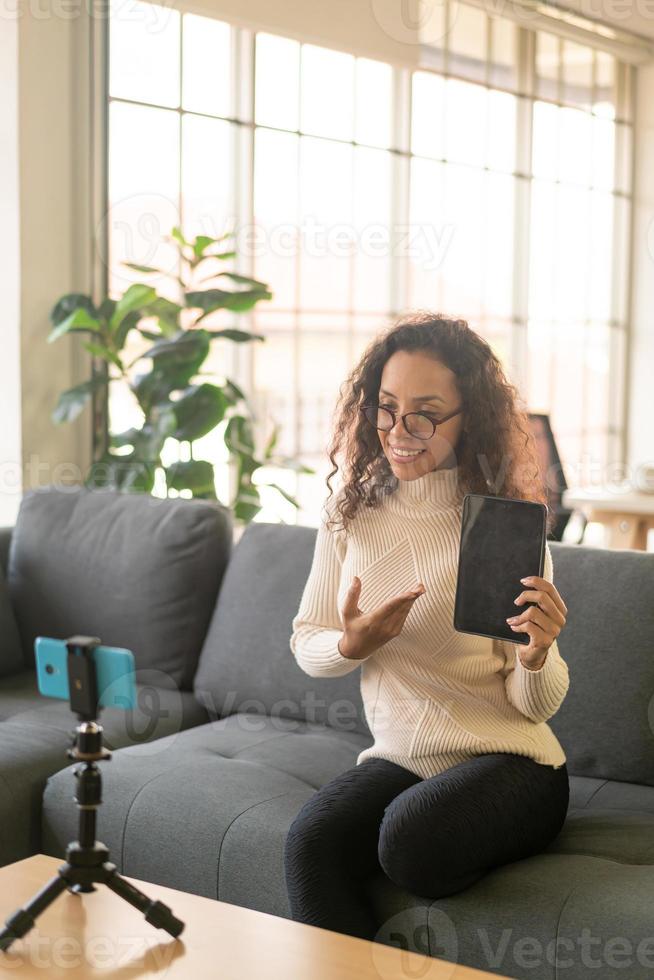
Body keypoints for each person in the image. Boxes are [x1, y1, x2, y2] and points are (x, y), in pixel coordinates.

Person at [283, 312, 570, 943]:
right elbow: (309, 640)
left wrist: (537, 653)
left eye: (425, 413)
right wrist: (350, 645)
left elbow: (534, 707)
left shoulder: (502, 528)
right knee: (311, 845)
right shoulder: (349, 512)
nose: (399, 431)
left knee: (410, 843)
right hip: (405, 757)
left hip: (514, 763)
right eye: (386, 408)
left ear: (471, 418)